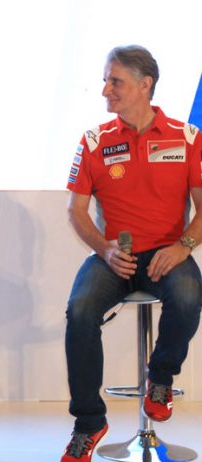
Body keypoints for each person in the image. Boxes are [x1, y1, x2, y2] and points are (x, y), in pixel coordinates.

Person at [62, 45, 202, 461]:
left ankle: (160, 378)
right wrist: (104, 250)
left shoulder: (187, 138)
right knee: (80, 311)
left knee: (189, 295)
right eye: (106, 80)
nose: (105, 89)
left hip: (167, 253)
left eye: (115, 81)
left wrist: (183, 246)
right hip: (114, 256)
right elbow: (75, 211)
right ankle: (89, 422)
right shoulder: (94, 141)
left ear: (145, 85)